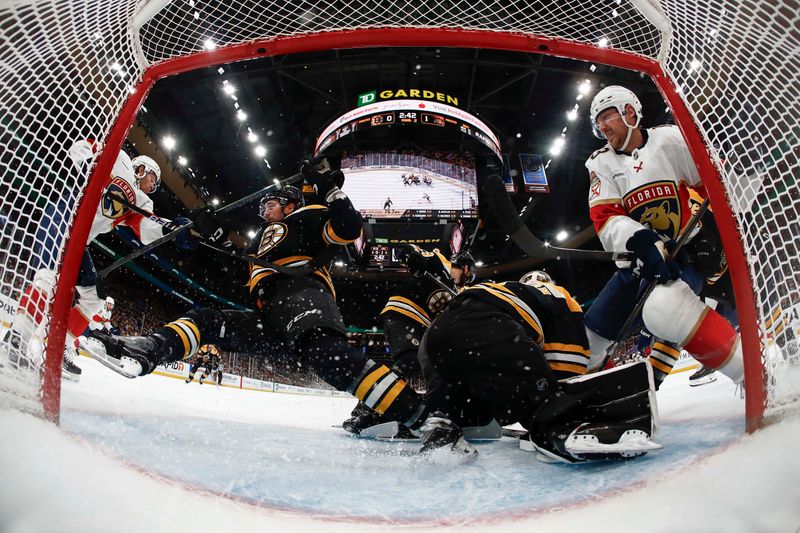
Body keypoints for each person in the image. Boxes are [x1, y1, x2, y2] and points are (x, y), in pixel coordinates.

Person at [81, 158, 426, 432]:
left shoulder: (309, 215)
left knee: (327, 357)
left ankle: (419, 413)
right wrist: (208, 234)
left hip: (303, 296)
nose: (264, 210)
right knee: (206, 321)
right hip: (271, 312)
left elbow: (350, 228)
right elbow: (237, 272)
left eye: (271, 204)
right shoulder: (261, 238)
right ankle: (146, 352)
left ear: (290, 204)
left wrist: (330, 191)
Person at [582, 85, 742, 387]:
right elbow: (605, 218)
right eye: (597, 122)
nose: (602, 127)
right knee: (587, 344)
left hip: (684, 255)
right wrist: (642, 241)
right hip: (637, 261)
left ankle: (749, 373)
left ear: (630, 113)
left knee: (663, 309)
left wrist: (720, 231)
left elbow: (716, 188)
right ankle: (575, 406)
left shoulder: (669, 140)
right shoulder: (600, 163)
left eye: (606, 116)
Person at [415, 272, 659, 461]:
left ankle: (444, 423)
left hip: (434, 336)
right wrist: (559, 402)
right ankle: (560, 430)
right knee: (545, 407)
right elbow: (566, 363)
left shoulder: (503, 288)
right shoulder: (558, 293)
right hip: (484, 325)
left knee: (470, 411)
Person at [3, 141, 193, 381]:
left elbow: (147, 228)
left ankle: (59, 345)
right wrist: (84, 162)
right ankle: (16, 340)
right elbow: (83, 147)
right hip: (63, 218)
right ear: (142, 169)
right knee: (48, 278)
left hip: (80, 241)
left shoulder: (142, 202)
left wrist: (173, 229)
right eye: (153, 180)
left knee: (94, 298)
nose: (153, 186)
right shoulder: (119, 157)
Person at [341, 246, 476, 436]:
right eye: (470, 273)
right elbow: (410, 250)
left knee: (435, 368)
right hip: (404, 314)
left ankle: (430, 411)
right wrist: (411, 257)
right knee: (411, 361)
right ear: (465, 267)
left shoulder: (460, 293)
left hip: (424, 328)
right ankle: (367, 408)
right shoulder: (440, 262)